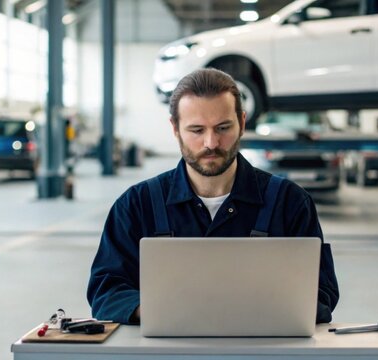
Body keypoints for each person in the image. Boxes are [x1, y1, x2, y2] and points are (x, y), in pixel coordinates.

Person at [87, 68, 339, 324]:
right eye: (197, 130)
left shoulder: (290, 203)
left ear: (241, 122)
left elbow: (322, 295)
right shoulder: (136, 205)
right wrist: (160, 311)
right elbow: (105, 292)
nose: (211, 143)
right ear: (175, 128)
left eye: (222, 128)